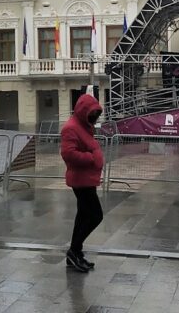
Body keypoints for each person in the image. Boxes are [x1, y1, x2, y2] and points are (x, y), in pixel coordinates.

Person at [60, 94, 105, 273]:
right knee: (95, 216)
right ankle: (74, 250)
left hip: (86, 178)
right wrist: (91, 158)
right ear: (83, 111)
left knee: (83, 215)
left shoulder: (83, 125)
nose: (95, 118)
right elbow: (68, 154)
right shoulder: (71, 128)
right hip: (81, 180)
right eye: (92, 113)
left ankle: (76, 252)